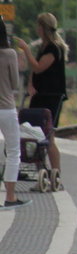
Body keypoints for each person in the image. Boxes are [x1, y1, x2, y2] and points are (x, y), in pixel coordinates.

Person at [14, 12, 69, 126]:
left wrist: (26, 49)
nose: (37, 29)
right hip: (40, 93)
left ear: (44, 28)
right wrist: (30, 84)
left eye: (39, 26)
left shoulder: (53, 48)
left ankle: (49, 145)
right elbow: (34, 69)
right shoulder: (43, 46)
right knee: (38, 131)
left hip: (50, 95)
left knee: (46, 131)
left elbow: (38, 68)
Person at [0, 24, 27, 209]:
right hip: (6, 108)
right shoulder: (9, 54)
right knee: (13, 152)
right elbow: (15, 84)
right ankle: (10, 197)